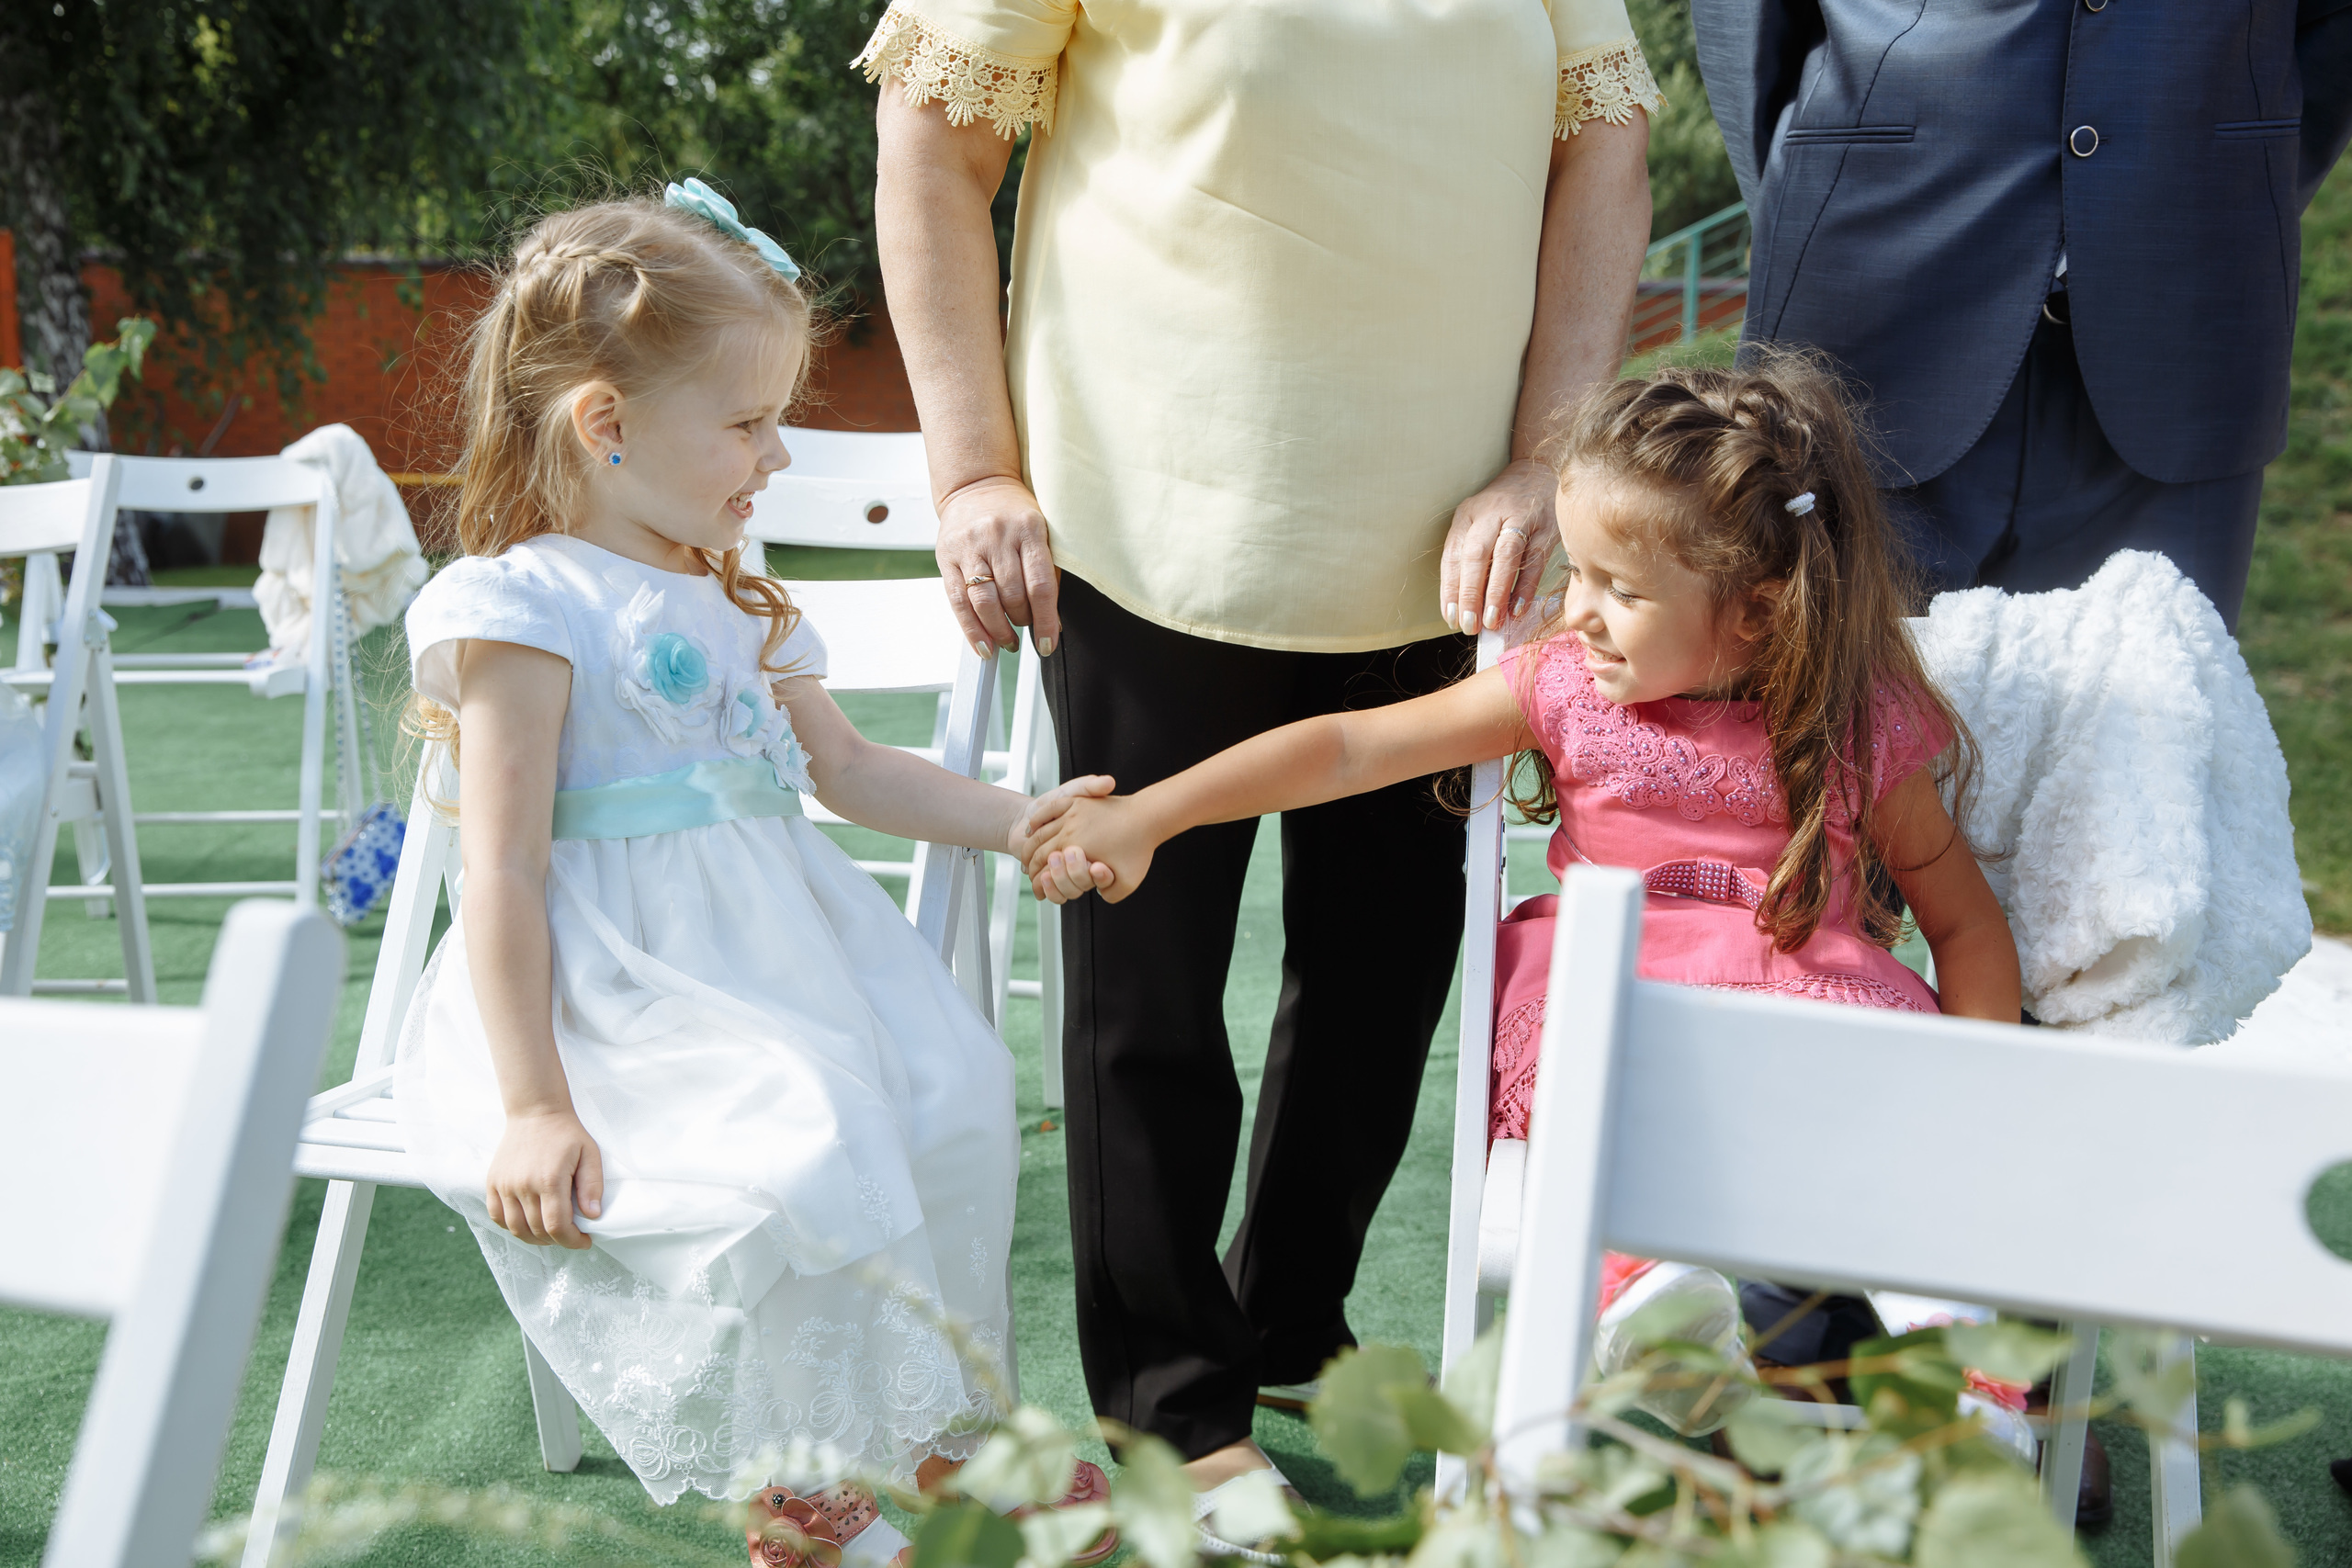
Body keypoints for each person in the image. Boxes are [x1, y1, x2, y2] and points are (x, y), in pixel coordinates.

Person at [861, 0, 1664, 1506]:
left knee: (1383, 977)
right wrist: (973, 464)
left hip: (1446, 553)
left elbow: (1603, 145)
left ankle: (1292, 1314)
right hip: (1146, 516)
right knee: (1147, 993)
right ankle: (1175, 1408)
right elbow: (933, 133)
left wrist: (1549, 460)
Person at [1022, 357, 2022, 1430]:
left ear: (1756, 613)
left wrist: (1971, 1090)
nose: (1577, 613)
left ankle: (1965, 1370)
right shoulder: (1562, 688)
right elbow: (1351, 747)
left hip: (1806, 1032)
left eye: (1620, 589)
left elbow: (1961, 920)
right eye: (1577, 573)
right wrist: (1152, 813)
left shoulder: (1851, 723)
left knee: (1910, 1159)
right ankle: (1643, 1304)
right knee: (1589, 1089)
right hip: (1615, 1009)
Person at [390, 186, 1111, 1568]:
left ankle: (936, 1426)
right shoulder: (524, 604)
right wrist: (536, 1098)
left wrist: (1019, 815)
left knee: (954, 1092)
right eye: (747, 421)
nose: (778, 452)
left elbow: (848, 769)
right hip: (614, 986)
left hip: (786, 953)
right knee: (803, 1139)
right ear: (607, 425)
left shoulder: (732, 593)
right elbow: (500, 866)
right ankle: (799, 1478)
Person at [1687, 0, 2352, 633]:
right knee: (1839, 731)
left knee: (2157, 732)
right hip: (1866, 330)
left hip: (2186, 323)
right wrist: (1816, 188)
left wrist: (2226, 181)